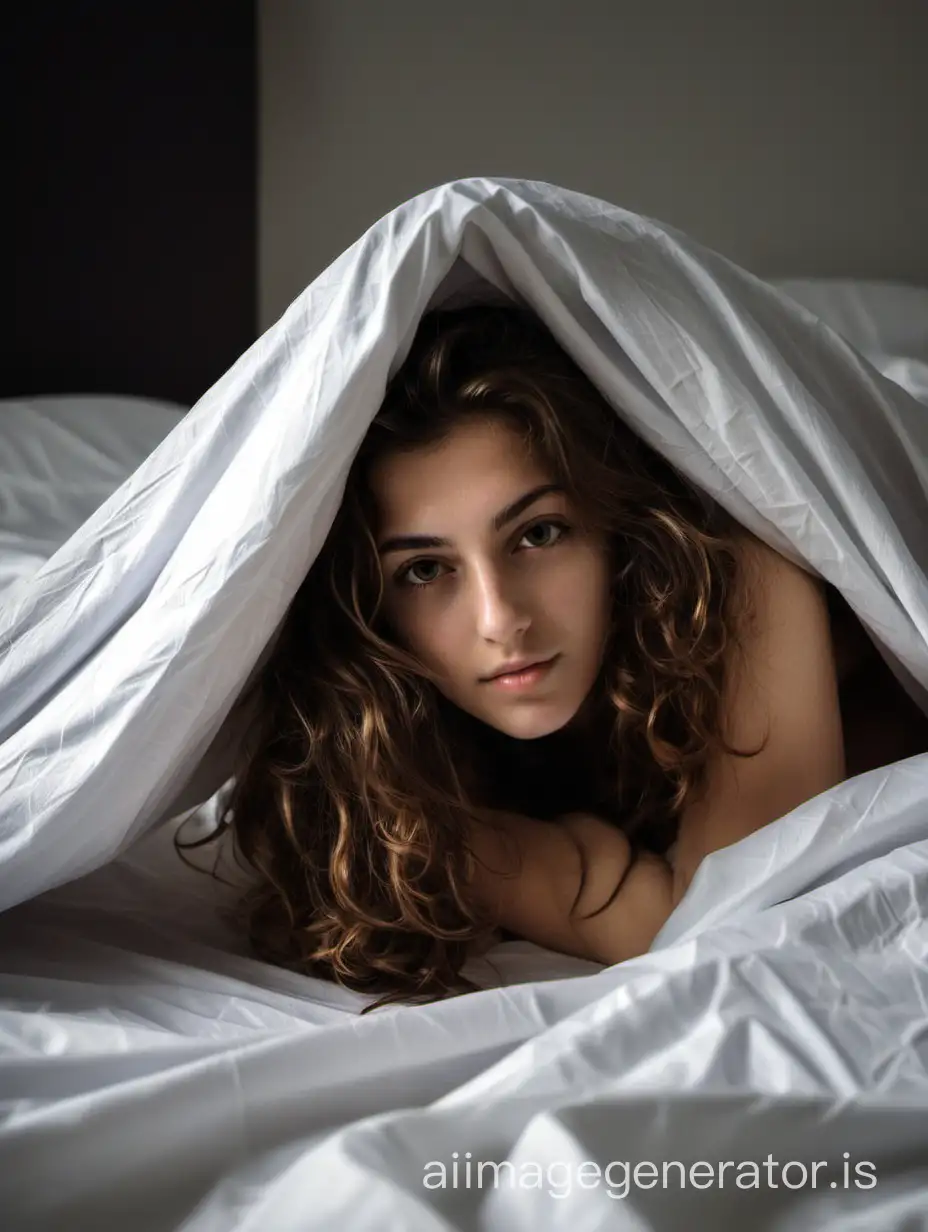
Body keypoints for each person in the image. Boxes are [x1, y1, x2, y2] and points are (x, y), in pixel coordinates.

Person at [177, 302, 866, 1012]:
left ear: (615, 527)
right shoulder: (385, 734)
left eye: (538, 533)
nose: (501, 618)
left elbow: (736, 926)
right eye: (422, 571)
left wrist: (488, 855)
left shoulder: (748, 560)